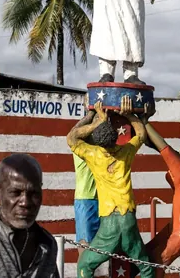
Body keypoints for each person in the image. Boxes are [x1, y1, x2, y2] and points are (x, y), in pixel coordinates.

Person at [66, 97, 155, 278]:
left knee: (85, 265)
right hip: (128, 218)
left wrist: (96, 119)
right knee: (145, 266)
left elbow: (72, 138)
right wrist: (129, 115)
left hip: (110, 223)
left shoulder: (93, 154)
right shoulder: (126, 152)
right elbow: (141, 135)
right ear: (116, 138)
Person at [131, 104, 180, 277]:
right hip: (179, 224)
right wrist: (139, 125)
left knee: (155, 264)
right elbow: (157, 146)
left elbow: (163, 146)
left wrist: (143, 120)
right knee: (147, 255)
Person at [71, 109, 101, 256]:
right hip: (86, 200)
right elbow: (73, 132)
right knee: (85, 249)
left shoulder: (103, 147)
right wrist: (90, 115)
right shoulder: (79, 147)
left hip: (104, 200)